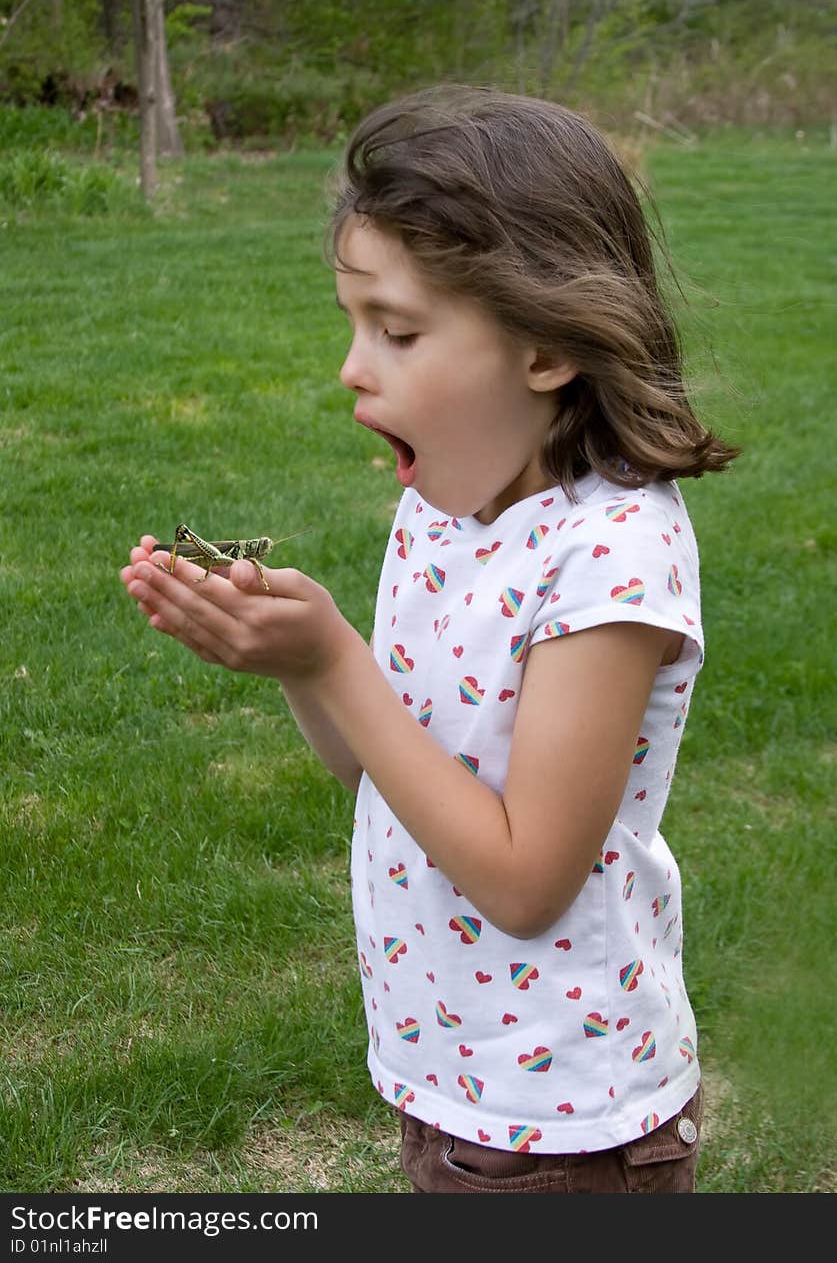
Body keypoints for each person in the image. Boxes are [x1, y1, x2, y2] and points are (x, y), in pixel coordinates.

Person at [121, 84, 738, 1193]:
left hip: (563, 1126)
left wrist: (333, 659)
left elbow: (522, 879)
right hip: (454, 1074)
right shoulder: (445, 508)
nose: (355, 368)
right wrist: (295, 662)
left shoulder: (611, 561)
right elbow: (375, 765)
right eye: (356, 324)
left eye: (397, 330)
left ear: (547, 346)